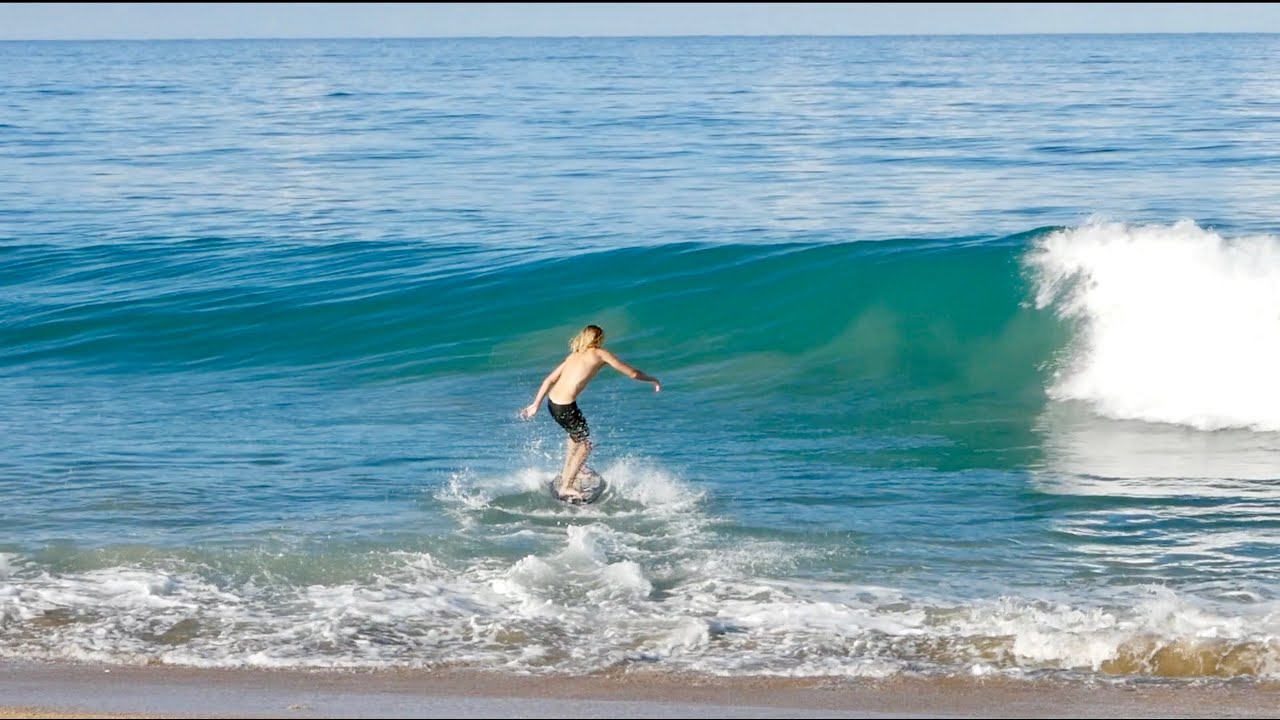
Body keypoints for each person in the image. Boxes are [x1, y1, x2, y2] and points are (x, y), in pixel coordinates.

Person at [519, 324, 660, 500]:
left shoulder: (573, 356)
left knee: (575, 437)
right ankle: (567, 486)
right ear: (599, 339)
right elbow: (632, 373)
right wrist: (651, 379)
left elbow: (549, 380)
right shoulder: (600, 353)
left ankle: (568, 473)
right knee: (585, 446)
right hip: (566, 407)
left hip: (553, 403)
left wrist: (535, 404)